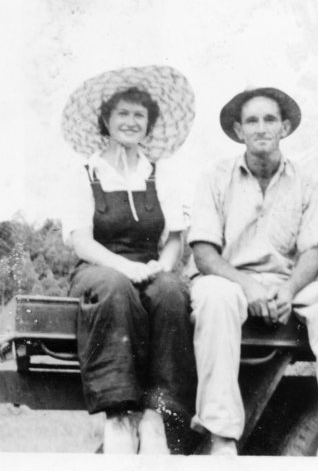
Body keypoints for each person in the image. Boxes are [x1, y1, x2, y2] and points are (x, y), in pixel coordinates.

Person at [187, 87, 318, 457]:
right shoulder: (214, 177)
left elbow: (312, 253)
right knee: (213, 298)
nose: (261, 128)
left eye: (270, 119)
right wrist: (248, 286)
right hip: (229, 280)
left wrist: (287, 291)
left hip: (288, 284)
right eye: (251, 120)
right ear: (239, 131)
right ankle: (222, 437)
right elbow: (205, 253)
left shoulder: (307, 182)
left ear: (284, 127)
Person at [59, 65, 198, 454]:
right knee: (116, 287)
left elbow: (174, 238)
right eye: (123, 113)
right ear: (106, 119)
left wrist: (163, 266)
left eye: (139, 115)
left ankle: (155, 416)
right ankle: (119, 418)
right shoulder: (86, 174)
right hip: (97, 270)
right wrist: (127, 268)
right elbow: (81, 242)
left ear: (149, 124)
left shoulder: (160, 174)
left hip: (148, 266)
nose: (131, 122)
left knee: (171, 291)